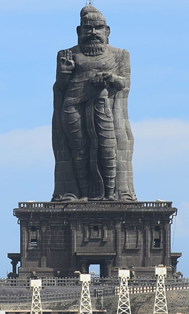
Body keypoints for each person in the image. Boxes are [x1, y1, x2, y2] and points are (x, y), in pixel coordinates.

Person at [51, 5, 137, 202]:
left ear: (107, 31)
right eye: (88, 28)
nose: (93, 32)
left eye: (98, 28)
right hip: (73, 106)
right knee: (78, 151)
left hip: (104, 106)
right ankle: (80, 194)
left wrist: (111, 78)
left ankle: (111, 194)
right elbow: (60, 87)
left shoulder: (120, 55)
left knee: (109, 148)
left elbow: (124, 84)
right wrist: (65, 73)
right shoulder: (67, 54)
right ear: (79, 31)